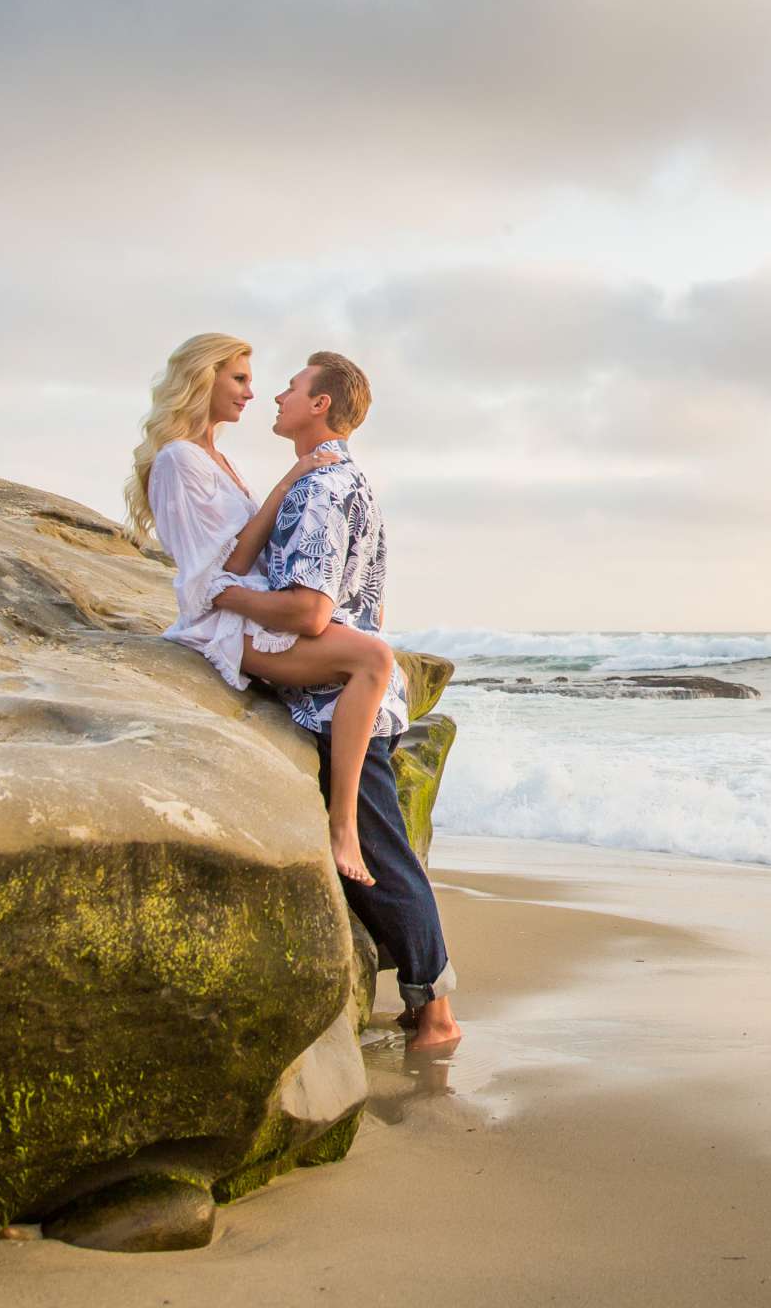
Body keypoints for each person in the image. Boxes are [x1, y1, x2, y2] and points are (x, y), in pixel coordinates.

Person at [214, 352, 461, 1052]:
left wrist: (226, 598)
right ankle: (426, 1003)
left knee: (381, 861)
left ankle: (437, 1013)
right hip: (350, 690)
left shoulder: (321, 490)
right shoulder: (343, 479)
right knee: (384, 856)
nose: (276, 396)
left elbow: (309, 611)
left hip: (333, 697)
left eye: (292, 387)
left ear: (320, 404)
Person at [128, 333, 397, 886]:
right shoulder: (180, 459)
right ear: (205, 378)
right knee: (372, 658)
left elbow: (244, 554)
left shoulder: (215, 458)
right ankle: (342, 827)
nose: (255, 393)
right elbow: (217, 569)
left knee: (369, 655)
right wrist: (291, 480)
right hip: (225, 619)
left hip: (249, 609)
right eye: (240, 379)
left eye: (258, 381)